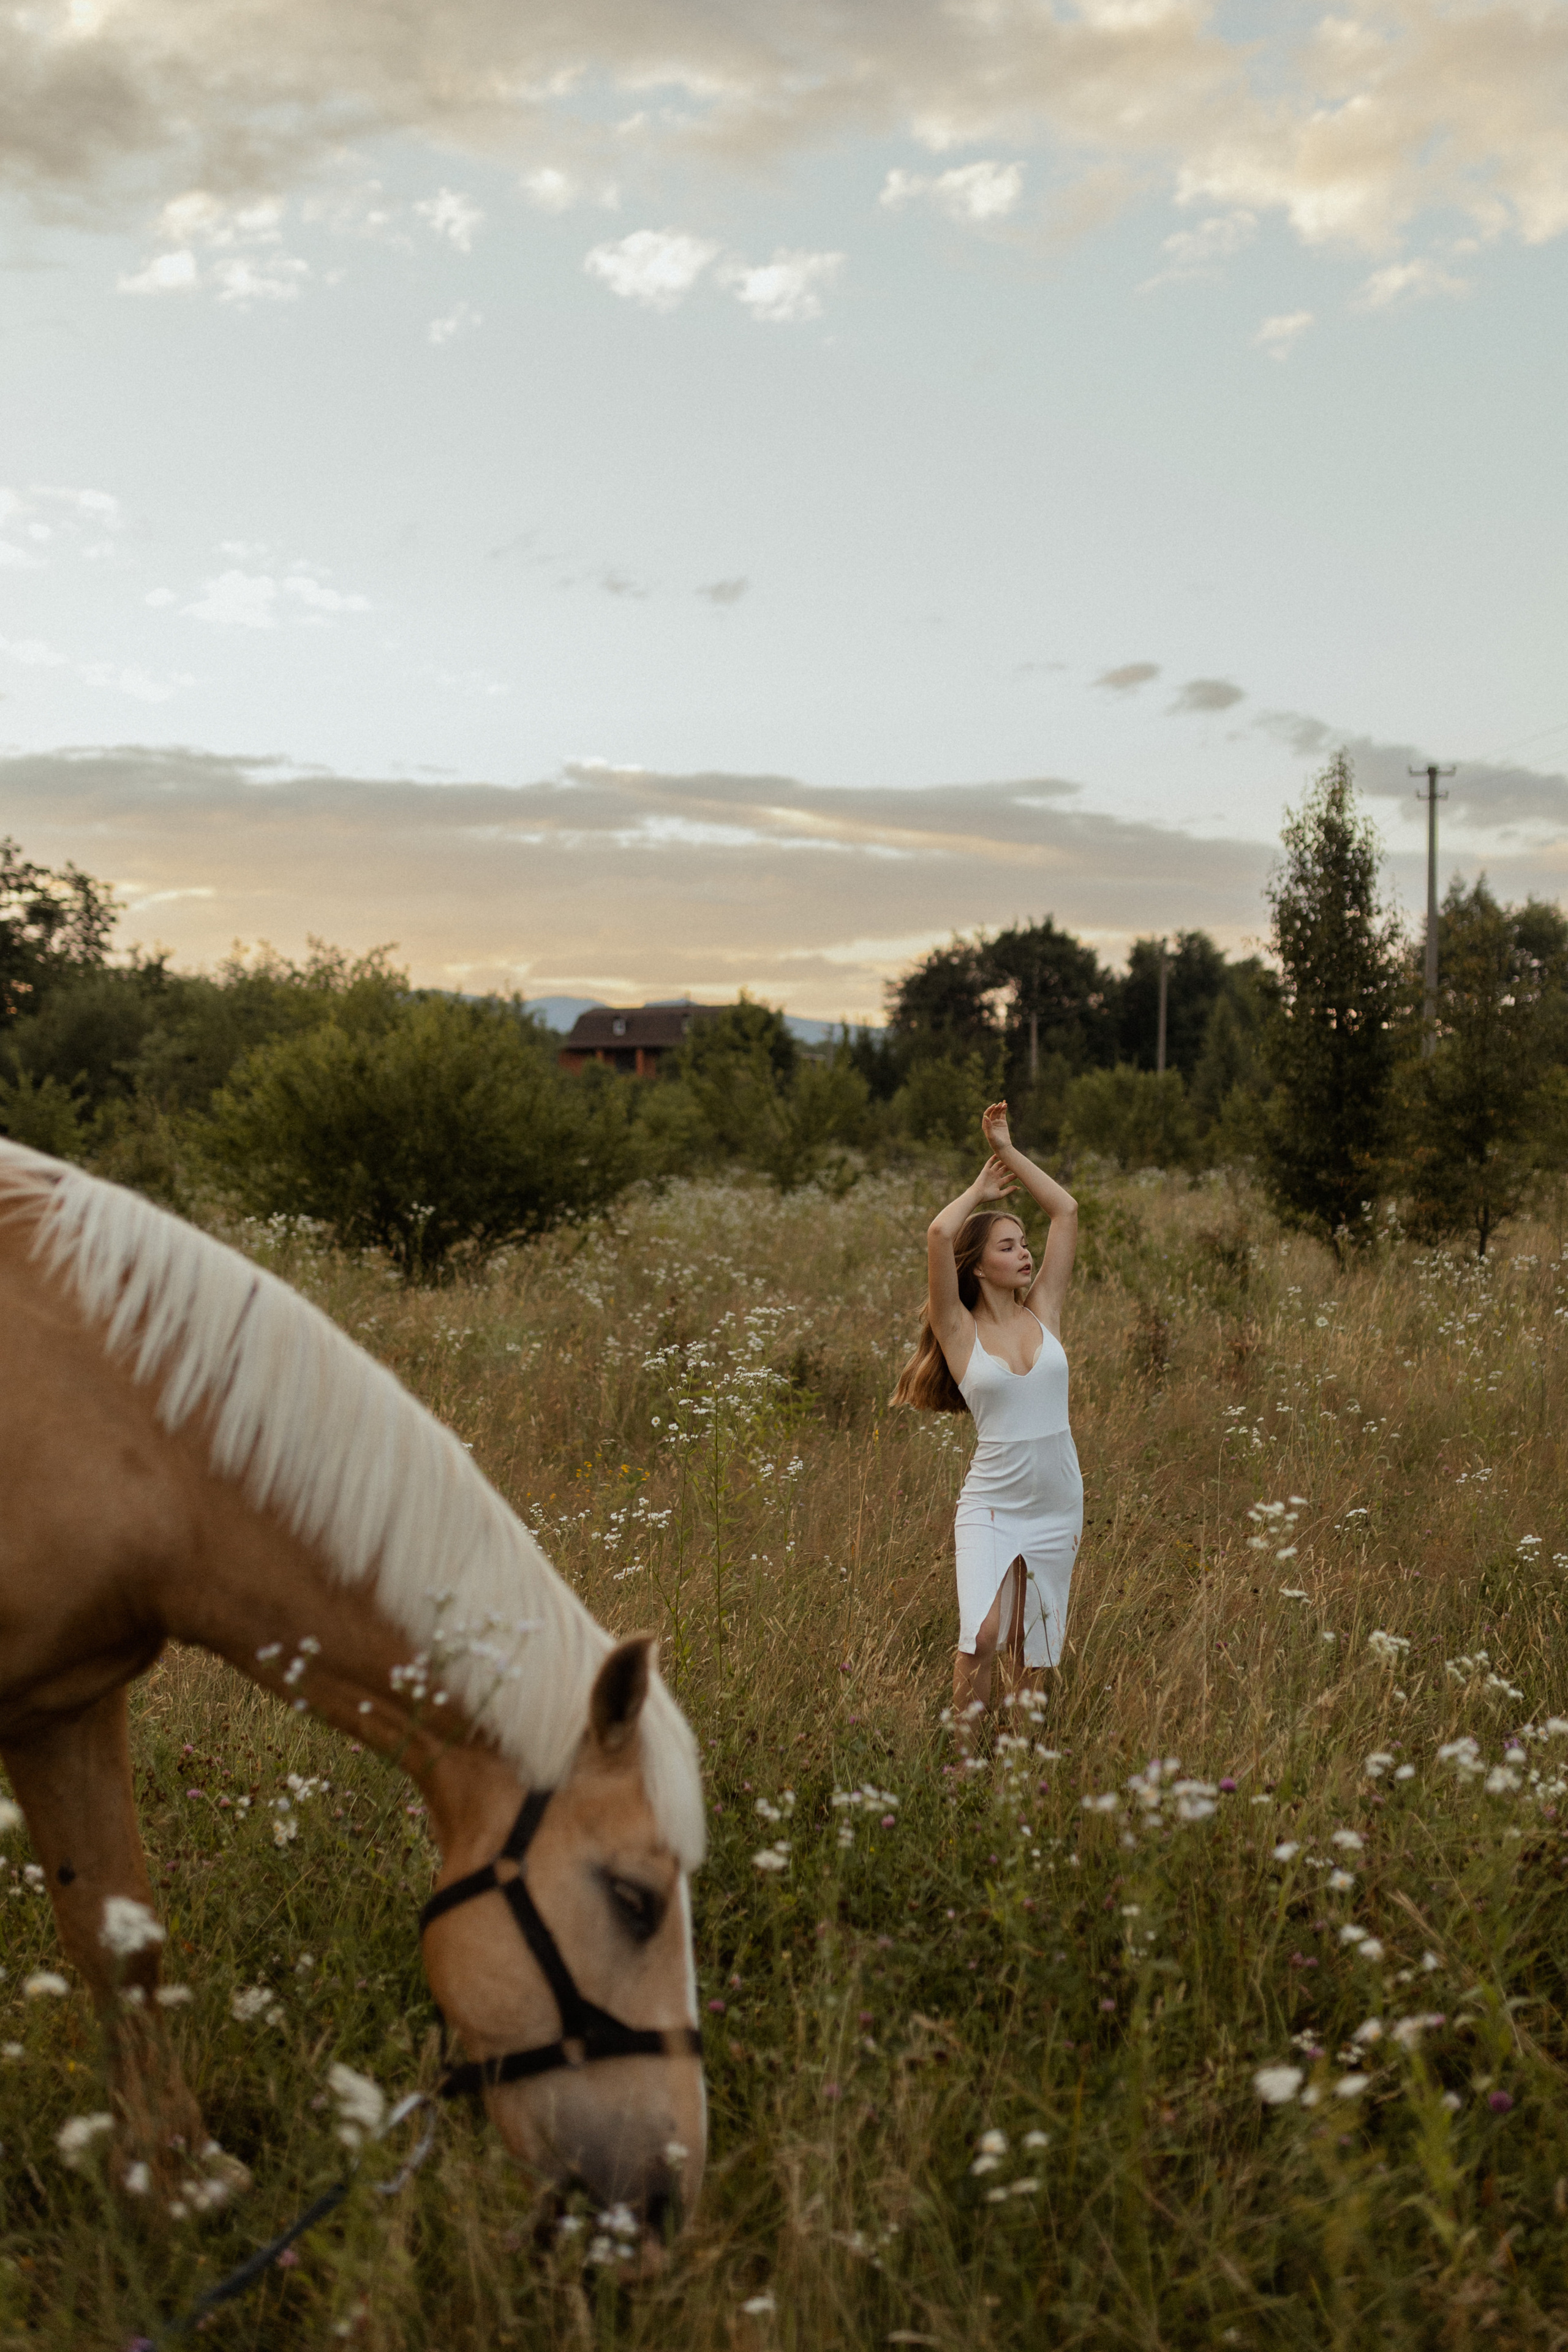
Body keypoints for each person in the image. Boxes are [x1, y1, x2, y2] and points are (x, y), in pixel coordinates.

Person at [891, 1101, 1081, 1718]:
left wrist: (1008, 1149)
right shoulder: (957, 1331)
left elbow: (1066, 1210)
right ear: (976, 1267)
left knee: (1036, 1649)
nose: (1025, 1254)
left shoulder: (1043, 1310)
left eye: (1024, 1244)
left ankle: (1018, 1770)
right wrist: (979, 1186)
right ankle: (963, 1773)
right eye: (1008, 1246)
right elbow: (940, 1235)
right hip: (993, 1504)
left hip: (1057, 1502)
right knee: (981, 1637)